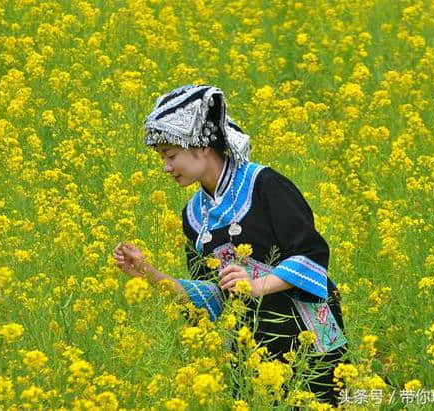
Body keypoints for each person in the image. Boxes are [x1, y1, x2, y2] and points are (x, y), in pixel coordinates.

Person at [113, 84, 347, 405]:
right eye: (162, 158)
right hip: (249, 349)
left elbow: (312, 255)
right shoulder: (194, 215)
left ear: (202, 146)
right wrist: (148, 274)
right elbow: (211, 294)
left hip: (308, 340)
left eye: (170, 155)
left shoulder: (264, 185)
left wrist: (255, 285)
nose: (166, 167)